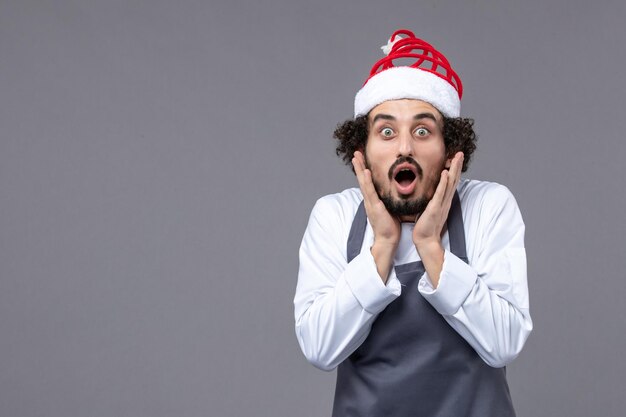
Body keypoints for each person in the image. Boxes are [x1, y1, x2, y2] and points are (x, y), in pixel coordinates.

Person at [293, 29, 533, 417]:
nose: (405, 147)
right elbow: (320, 349)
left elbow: (503, 344)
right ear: (364, 154)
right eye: (386, 132)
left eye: (423, 131)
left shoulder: (487, 206)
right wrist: (383, 246)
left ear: (451, 151)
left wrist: (432, 249)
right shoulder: (334, 215)